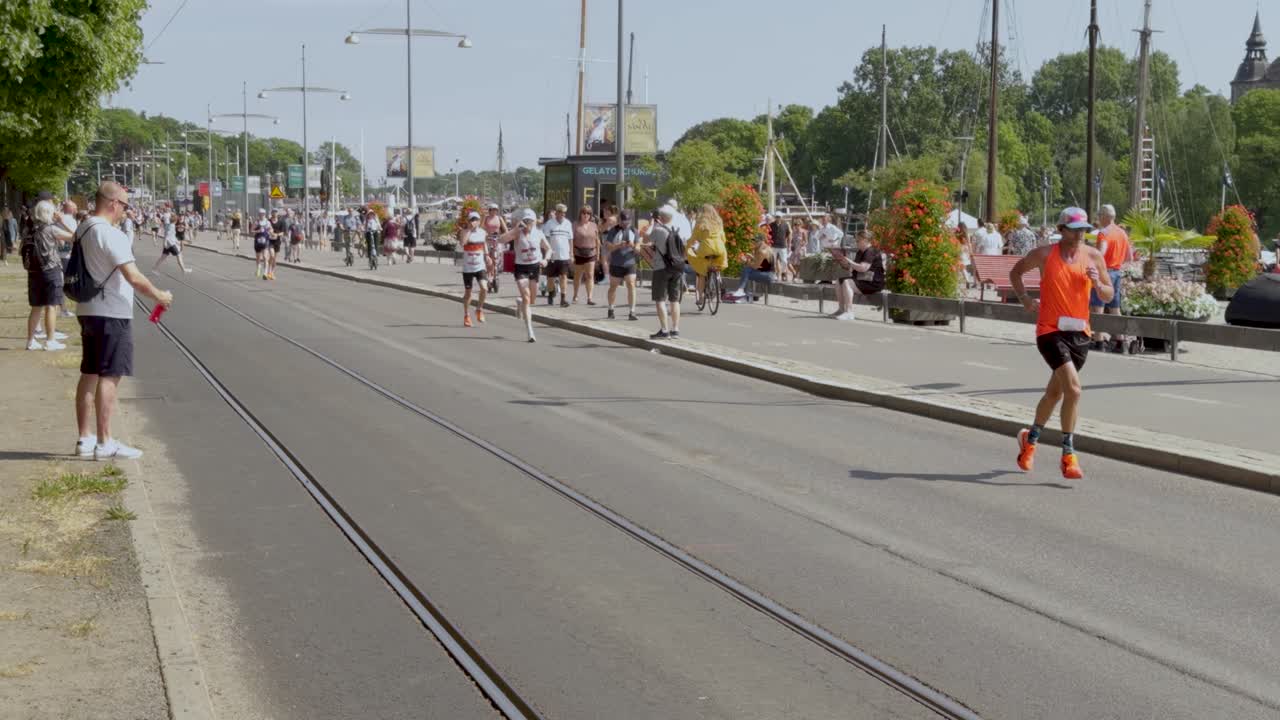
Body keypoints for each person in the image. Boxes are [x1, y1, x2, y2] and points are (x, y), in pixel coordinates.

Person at [1010, 207, 1114, 480]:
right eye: (1075, 229)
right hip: (1050, 331)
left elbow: (1107, 293)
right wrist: (1025, 299)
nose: (1080, 234)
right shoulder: (1045, 254)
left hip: (1080, 334)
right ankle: (1068, 454)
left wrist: (1097, 283)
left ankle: (1029, 440)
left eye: (1084, 230)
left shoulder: (1093, 256)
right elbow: (1016, 273)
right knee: (1075, 390)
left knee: (1055, 394)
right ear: (1061, 229)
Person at [74, 182, 173, 460]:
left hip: (88, 308)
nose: (127, 211)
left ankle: (84, 438)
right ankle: (105, 442)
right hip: (112, 312)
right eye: (126, 206)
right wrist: (159, 296)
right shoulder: (111, 234)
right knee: (109, 375)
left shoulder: (84, 228)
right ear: (113, 203)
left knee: (89, 372)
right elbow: (133, 277)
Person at [499, 209, 550, 342]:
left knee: (531, 300)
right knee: (527, 297)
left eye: (530, 221)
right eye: (525, 221)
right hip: (521, 267)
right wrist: (515, 229)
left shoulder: (538, 233)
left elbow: (548, 248)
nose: (527, 224)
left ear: (534, 222)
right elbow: (501, 240)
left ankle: (520, 302)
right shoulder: (517, 233)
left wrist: (546, 260)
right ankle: (530, 331)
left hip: (534, 267)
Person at [22, 200, 67, 351]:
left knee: (36, 308)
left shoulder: (28, 230)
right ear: (50, 213)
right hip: (51, 270)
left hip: (33, 272)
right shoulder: (51, 229)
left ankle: (30, 341)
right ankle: (50, 340)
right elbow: (75, 236)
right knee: (51, 306)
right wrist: (61, 221)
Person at [1090, 204, 1133, 340]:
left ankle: (1098, 339)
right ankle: (1120, 339)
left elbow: (1101, 252)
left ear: (1104, 217)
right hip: (1117, 272)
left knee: (1098, 307)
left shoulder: (1103, 233)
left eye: (1099, 216)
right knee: (1115, 308)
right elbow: (1129, 258)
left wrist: (1093, 259)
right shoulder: (1122, 233)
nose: (1099, 219)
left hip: (1104, 273)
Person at [646, 205, 683, 339]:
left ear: (660, 218)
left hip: (662, 268)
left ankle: (664, 330)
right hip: (676, 267)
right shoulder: (676, 230)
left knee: (660, 299)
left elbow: (646, 238)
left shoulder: (658, 229)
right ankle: (675, 329)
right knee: (674, 300)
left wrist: (651, 224)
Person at [684, 203, 728, 304]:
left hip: (706, 248)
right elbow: (723, 237)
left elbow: (694, 237)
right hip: (720, 248)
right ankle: (718, 289)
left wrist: (688, 245)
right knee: (716, 265)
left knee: (701, 273)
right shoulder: (718, 221)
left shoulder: (701, 222)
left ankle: (701, 297)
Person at [604, 210, 639, 321]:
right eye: (623, 222)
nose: (625, 224)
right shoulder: (613, 231)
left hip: (630, 263)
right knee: (613, 286)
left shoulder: (634, 230)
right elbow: (608, 246)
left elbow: (638, 249)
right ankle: (611, 309)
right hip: (616, 263)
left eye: (627, 222)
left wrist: (633, 246)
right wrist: (619, 245)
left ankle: (632, 312)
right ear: (619, 220)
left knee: (631, 284)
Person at [459, 211, 489, 327]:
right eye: (471, 220)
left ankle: (479, 309)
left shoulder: (482, 232)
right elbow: (463, 243)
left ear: (479, 221)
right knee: (468, 293)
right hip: (468, 267)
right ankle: (466, 315)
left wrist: (487, 256)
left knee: (484, 288)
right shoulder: (464, 232)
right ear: (468, 221)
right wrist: (469, 230)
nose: (473, 222)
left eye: (475, 220)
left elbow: (484, 244)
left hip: (479, 266)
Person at [542, 203, 573, 307]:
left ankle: (563, 299)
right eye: (560, 212)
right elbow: (545, 239)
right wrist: (546, 253)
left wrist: (571, 253)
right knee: (550, 278)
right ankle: (551, 294)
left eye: (564, 213)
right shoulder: (549, 224)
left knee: (564, 276)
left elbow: (570, 239)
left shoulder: (568, 224)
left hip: (564, 255)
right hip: (552, 256)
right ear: (557, 213)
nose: (562, 214)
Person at [733, 231, 776, 301]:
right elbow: (762, 263)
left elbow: (755, 266)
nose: (754, 242)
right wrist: (752, 257)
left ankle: (742, 292)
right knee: (746, 271)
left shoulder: (762, 251)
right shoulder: (766, 248)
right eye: (753, 241)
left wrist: (746, 261)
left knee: (746, 272)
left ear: (762, 241)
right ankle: (742, 292)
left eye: (756, 241)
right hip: (768, 273)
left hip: (768, 276)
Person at [571, 206, 600, 305]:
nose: (586, 215)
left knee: (590, 275)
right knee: (578, 275)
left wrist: (598, 254)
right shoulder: (575, 225)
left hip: (591, 252)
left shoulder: (593, 225)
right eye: (584, 213)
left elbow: (597, 240)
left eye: (588, 213)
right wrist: (571, 253)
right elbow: (572, 240)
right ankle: (575, 295)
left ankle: (590, 297)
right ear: (580, 214)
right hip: (578, 252)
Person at [483, 203, 508, 292]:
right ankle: (489, 275)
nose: (494, 211)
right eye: (492, 210)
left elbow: (505, 230)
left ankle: (494, 275)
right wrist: (485, 235)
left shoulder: (499, 218)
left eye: (495, 210)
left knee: (496, 260)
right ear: (489, 210)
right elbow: (482, 228)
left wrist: (502, 236)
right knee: (488, 260)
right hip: (488, 241)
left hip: (497, 241)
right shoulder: (486, 218)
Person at [769, 213, 792, 281]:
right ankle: (774, 274)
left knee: (784, 261)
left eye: (779, 217)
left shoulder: (785, 225)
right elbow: (768, 235)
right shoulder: (771, 225)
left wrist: (789, 244)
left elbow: (788, 234)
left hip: (782, 246)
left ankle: (783, 273)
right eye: (776, 217)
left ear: (781, 217)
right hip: (773, 246)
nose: (778, 218)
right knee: (773, 261)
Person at [253, 209, 273, 279]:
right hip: (258, 242)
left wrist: (270, 232)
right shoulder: (256, 222)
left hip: (265, 241)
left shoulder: (267, 222)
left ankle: (265, 272)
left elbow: (271, 229)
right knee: (258, 257)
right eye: (260, 214)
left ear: (265, 214)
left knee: (265, 257)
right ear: (259, 214)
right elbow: (251, 231)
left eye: (263, 214)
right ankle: (258, 267)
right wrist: (257, 231)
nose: (262, 215)